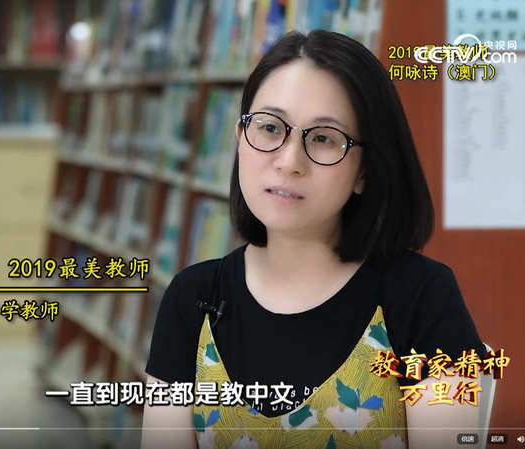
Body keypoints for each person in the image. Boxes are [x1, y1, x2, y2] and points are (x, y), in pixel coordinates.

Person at [141, 30, 490, 449]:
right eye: (270, 128)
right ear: (240, 138)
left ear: (365, 171)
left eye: (323, 138)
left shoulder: (422, 297)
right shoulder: (192, 299)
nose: (289, 161)